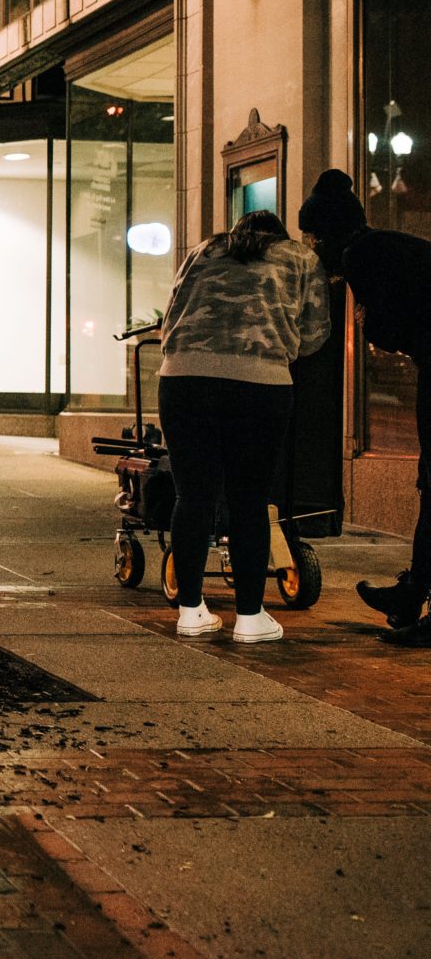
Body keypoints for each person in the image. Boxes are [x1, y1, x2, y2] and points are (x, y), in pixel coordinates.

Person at [156, 210, 330, 643]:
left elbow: (169, 319)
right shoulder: (301, 258)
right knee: (249, 500)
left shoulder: (203, 250)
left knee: (192, 496)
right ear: (280, 235)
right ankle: (250, 618)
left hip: (183, 379)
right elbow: (315, 334)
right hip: (259, 384)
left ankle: (190, 611)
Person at [298, 168, 431, 645]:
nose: (313, 247)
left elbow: (388, 328)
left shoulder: (360, 256)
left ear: (330, 231)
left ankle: (417, 600)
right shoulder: (388, 245)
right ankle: (411, 593)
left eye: (314, 237)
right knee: (429, 486)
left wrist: (366, 319)